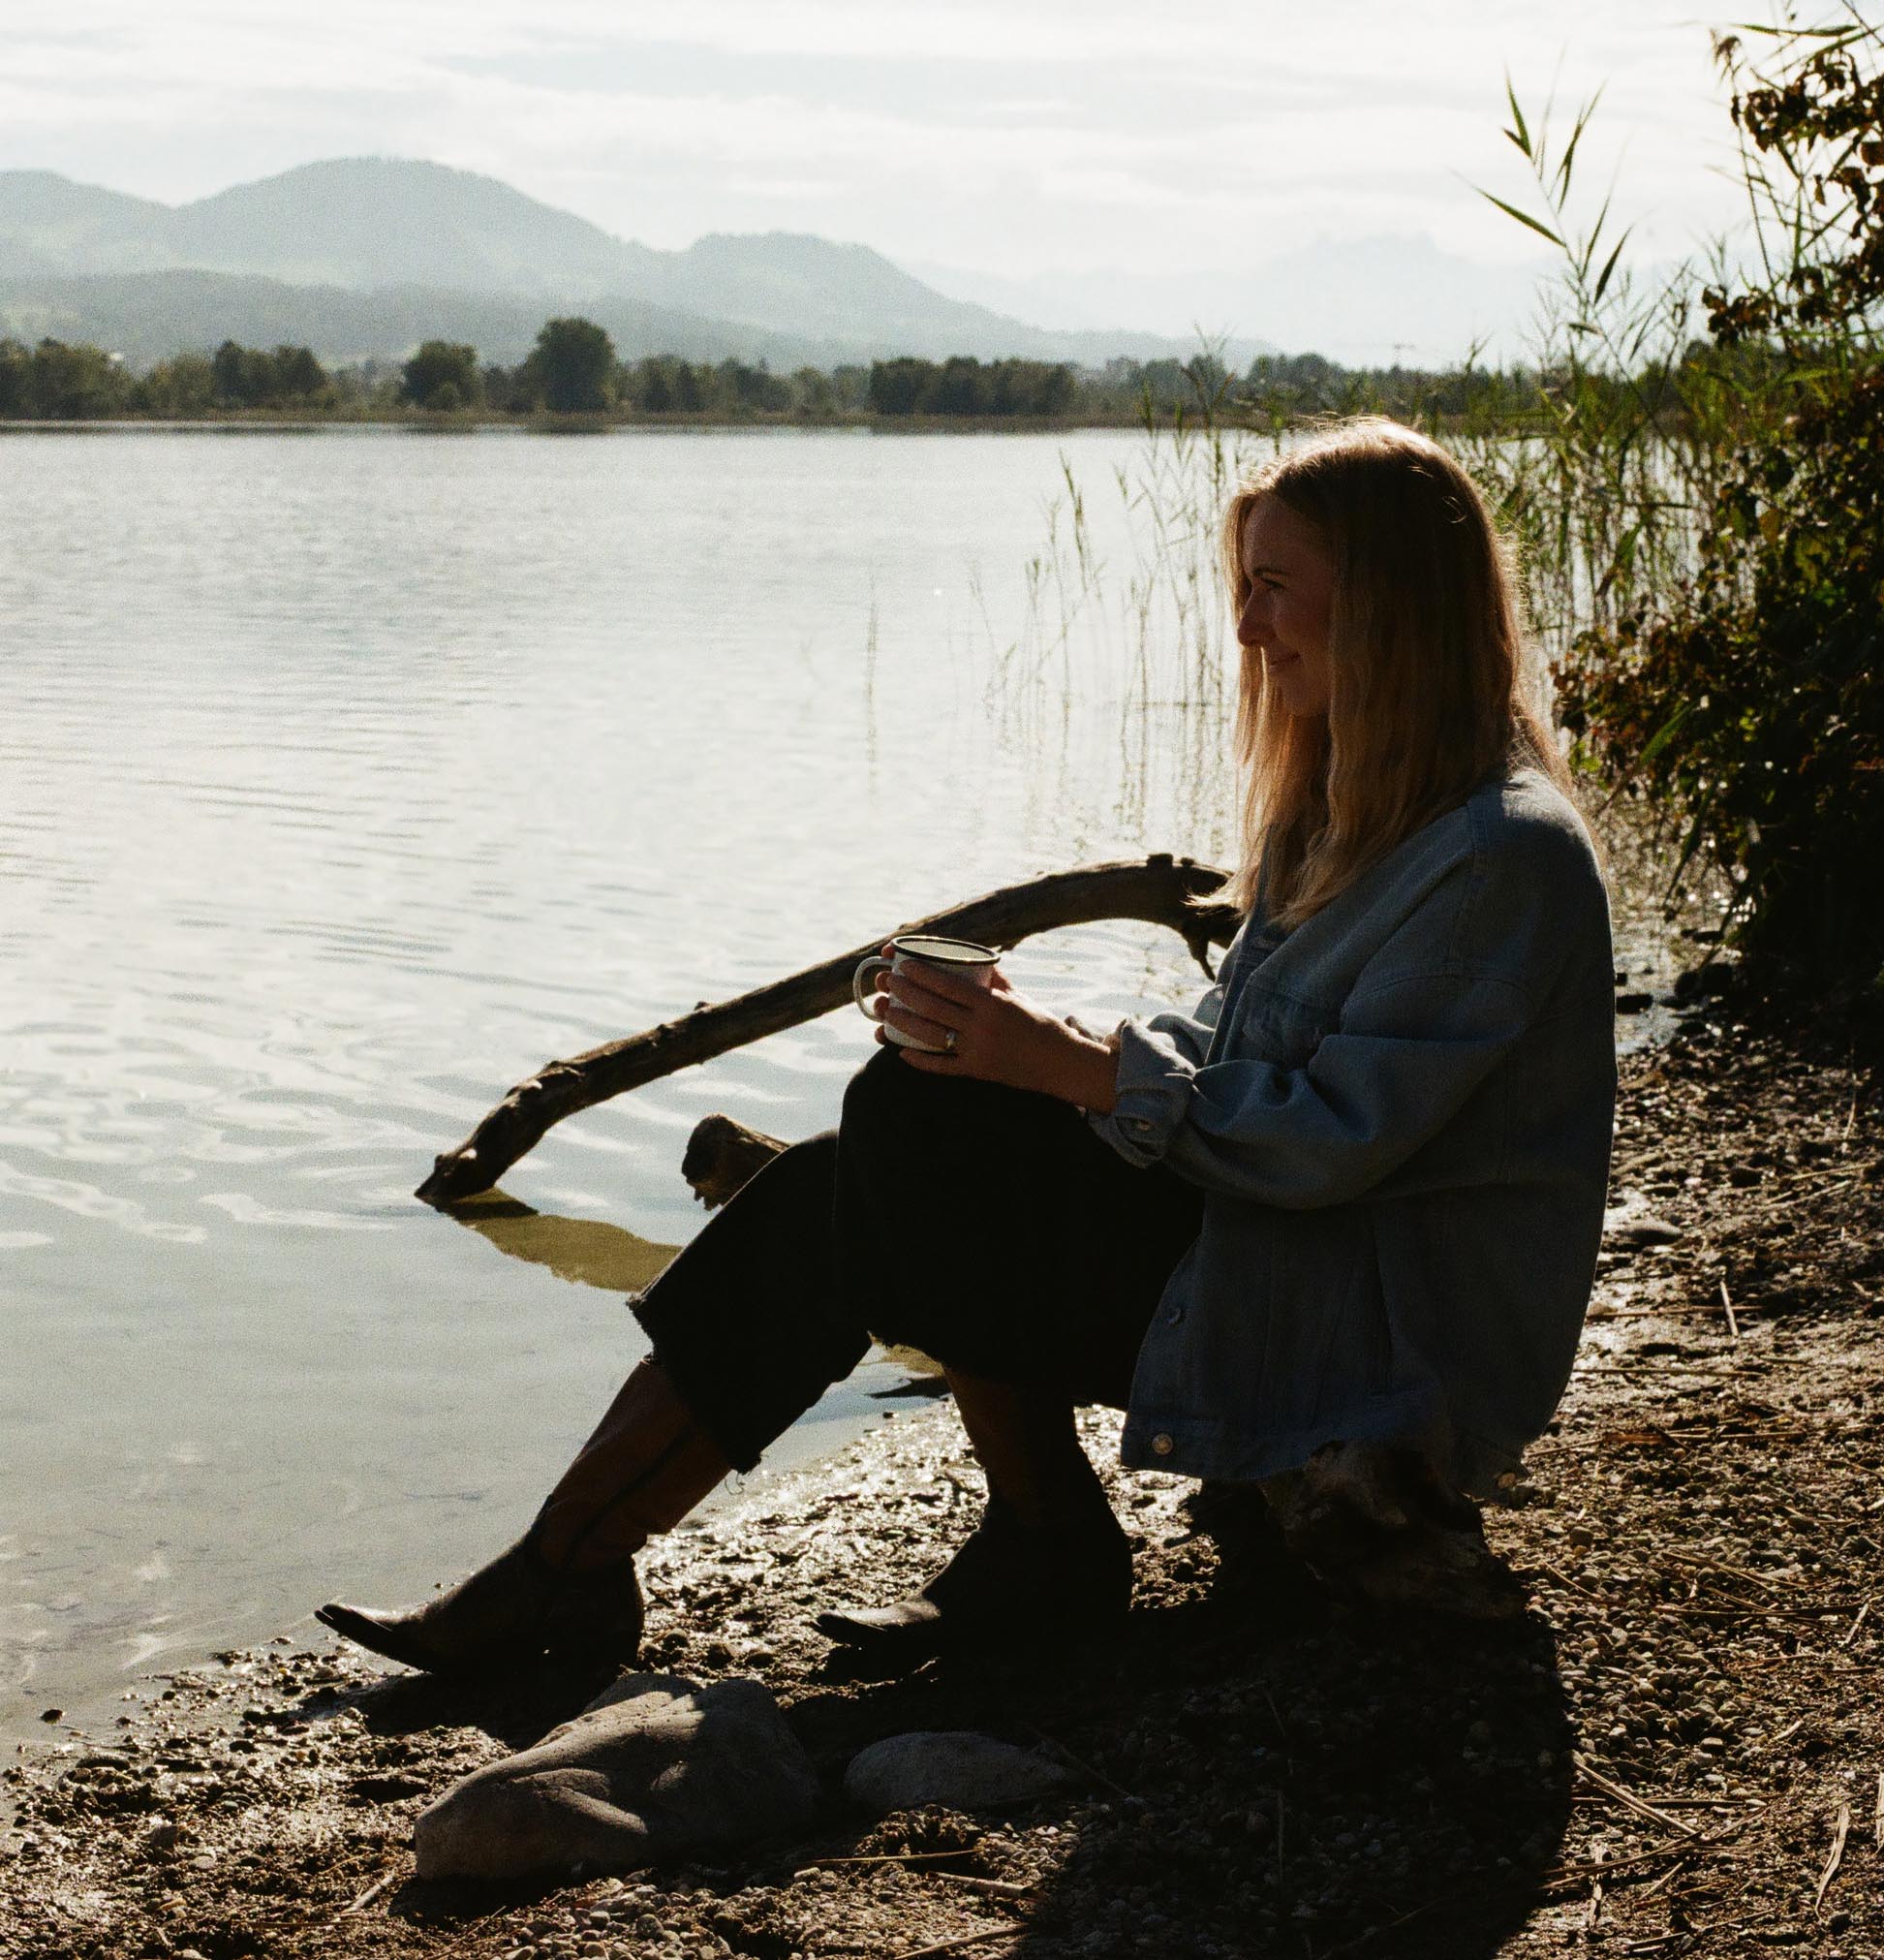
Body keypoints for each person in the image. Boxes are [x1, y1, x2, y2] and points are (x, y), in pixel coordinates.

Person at [317, 418, 1616, 1673]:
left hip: (1362, 1328)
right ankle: (576, 1566)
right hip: (1265, 1248)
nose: (1246, 626)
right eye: (1244, 585)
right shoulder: (1345, 816)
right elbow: (1233, 1053)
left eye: (1275, 587)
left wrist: (1063, 1066)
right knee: (877, 1149)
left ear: (1388, 605)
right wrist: (1016, 1043)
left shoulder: (1503, 859)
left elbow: (1336, 1138)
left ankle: (1015, 1542)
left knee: (909, 1134)